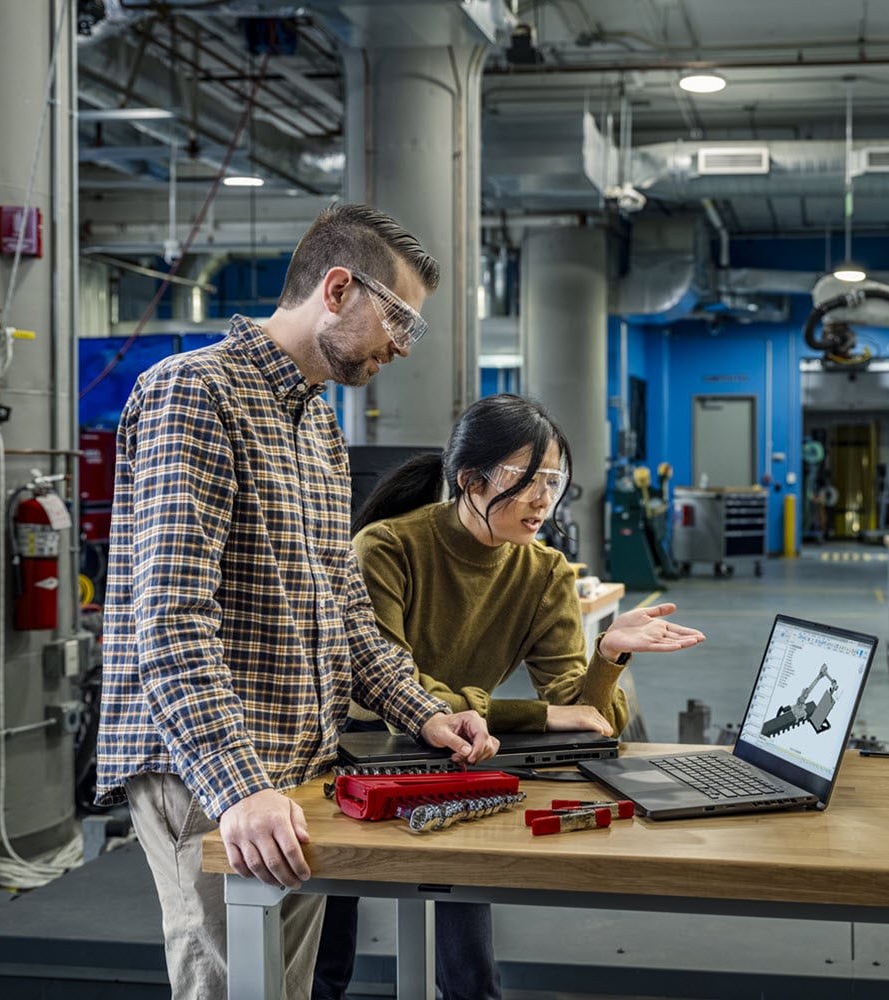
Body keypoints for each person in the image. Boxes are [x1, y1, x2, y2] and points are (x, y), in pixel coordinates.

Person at [95, 203, 499, 1000]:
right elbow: (171, 621)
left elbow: (344, 613)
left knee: (284, 987)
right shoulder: (193, 394)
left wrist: (425, 712)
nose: (401, 347)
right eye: (400, 321)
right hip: (211, 773)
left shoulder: (317, 426)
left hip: (295, 769)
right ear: (338, 289)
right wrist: (238, 786)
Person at [312, 392, 705, 1000]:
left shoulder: (544, 572)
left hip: (463, 756)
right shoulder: (387, 547)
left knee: (471, 974)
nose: (544, 499)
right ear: (470, 480)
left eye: (554, 480)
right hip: (357, 755)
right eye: (527, 480)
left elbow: (593, 719)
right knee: (324, 958)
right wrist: (531, 714)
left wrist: (608, 654)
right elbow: (389, 687)